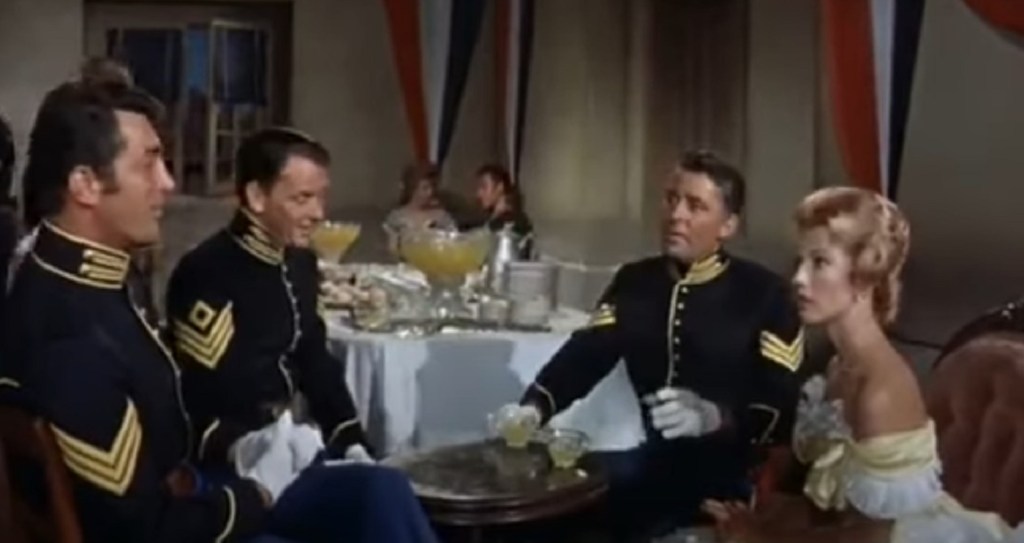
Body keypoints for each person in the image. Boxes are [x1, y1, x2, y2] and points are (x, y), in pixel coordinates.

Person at [0, 80, 270, 542]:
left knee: (365, 489)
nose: (168, 182)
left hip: (178, 486)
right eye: (149, 164)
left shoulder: (67, 274)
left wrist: (234, 444)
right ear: (85, 184)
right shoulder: (73, 336)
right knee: (367, 503)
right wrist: (255, 497)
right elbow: (142, 529)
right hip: (170, 519)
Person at [493, 150, 804, 540]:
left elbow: (779, 403)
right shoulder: (635, 281)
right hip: (646, 461)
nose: (676, 215)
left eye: (695, 206)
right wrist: (535, 406)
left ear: (728, 225)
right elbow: (587, 353)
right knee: (533, 512)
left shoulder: (764, 293)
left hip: (726, 475)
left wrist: (716, 417)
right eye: (671, 199)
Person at [164, 127, 438, 543]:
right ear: (256, 197)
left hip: (295, 454)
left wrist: (350, 440)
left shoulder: (300, 265)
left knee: (386, 487)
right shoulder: (207, 271)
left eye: (321, 197)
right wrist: (242, 446)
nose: (318, 213)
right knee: (382, 495)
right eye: (302, 198)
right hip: (231, 471)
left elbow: (315, 363)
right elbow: (194, 397)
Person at [704, 187, 1022, 543]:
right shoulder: (839, 365)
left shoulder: (879, 391)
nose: (799, 279)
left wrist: (762, 539)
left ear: (864, 274)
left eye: (819, 262)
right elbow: (833, 504)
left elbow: (876, 536)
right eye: (800, 261)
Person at [384, 162, 455, 240]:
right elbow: (389, 243)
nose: (430, 192)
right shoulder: (396, 218)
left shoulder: (442, 217)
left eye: (432, 187)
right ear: (412, 189)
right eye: (425, 188)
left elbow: (453, 241)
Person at [473, 163, 532, 240]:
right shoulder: (500, 220)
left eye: (484, 187)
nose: (479, 194)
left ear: (500, 187)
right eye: (479, 188)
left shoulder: (508, 223)